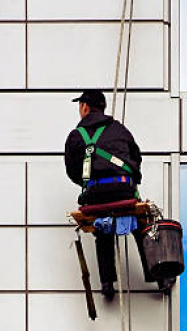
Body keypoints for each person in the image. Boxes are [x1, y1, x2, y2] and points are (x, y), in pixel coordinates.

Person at [64, 89, 149, 299]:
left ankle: (107, 282)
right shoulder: (120, 130)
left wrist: (90, 182)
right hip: (124, 188)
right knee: (141, 224)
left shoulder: (76, 136)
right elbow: (136, 158)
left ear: (84, 107)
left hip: (96, 193)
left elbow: (72, 171)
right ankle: (157, 274)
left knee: (102, 227)